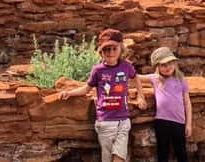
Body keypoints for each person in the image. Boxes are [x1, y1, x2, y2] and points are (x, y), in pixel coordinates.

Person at [60, 29, 147, 162]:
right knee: (107, 159)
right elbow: (87, 88)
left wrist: (141, 96)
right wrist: (69, 93)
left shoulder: (126, 66)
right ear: (101, 52)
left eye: (114, 48)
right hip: (105, 121)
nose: (111, 52)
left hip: (123, 120)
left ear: (121, 49)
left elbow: (136, 78)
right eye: (106, 49)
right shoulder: (98, 70)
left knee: (119, 158)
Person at [144, 47, 192, 162]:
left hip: (179, 122)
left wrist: (188, 124)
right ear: (157, 67)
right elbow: (134, 77)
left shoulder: (181, 79)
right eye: (163, 65)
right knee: (162, 152)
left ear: (175, 63)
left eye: (170, 63)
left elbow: (187, 103)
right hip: (162, 121)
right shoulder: (155, 78)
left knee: (181, 152)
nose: (167, 67)